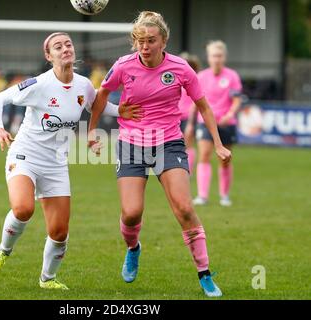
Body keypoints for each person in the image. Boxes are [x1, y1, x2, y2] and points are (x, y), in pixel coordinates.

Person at [0, 32, 142, 290]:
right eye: (58, 46)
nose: (65, 48)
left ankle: (47, 279)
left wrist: (119, 110)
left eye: (68, 44)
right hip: (26, 155)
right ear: (49, 56)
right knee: (23, 209)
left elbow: (95, 106)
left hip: (56, 163)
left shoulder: (84, 85)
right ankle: (3, 250)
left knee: (59, 232)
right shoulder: (38, 84)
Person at [88, 11, 231, 297]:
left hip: (169, 143)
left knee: (185, 208)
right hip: (131, 143)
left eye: (151, 40)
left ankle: (204, 273)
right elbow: (101, 95)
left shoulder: (180, 68)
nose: (145, 46)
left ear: (163, 41)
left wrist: (217, 143)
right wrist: (92, 131)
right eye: (140, 40)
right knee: (131, 213)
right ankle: (133, 248)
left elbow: (203, 106)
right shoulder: (123, 66)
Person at [187, 41, 242, 207]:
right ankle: (202, 195)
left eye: (219, 56)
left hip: (226, 123)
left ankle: (224, 195)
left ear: (224, 57)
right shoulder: (201, 76)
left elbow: (237, 100)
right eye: (213, 56)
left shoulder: (232, 76)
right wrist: (190, 123)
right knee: (204, 155)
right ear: (208, 57)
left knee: (225, 159)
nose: (216, 59)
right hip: (205, 122)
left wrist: (230, 114)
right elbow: (195, 102)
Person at [178, 52, 201, 174]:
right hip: (176, 117)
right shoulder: (175, 79)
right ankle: (180, 167)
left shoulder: (193, 80)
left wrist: (191, 121)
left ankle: (189, 170)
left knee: (188, 144)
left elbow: (195, 101)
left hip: (188, 117)